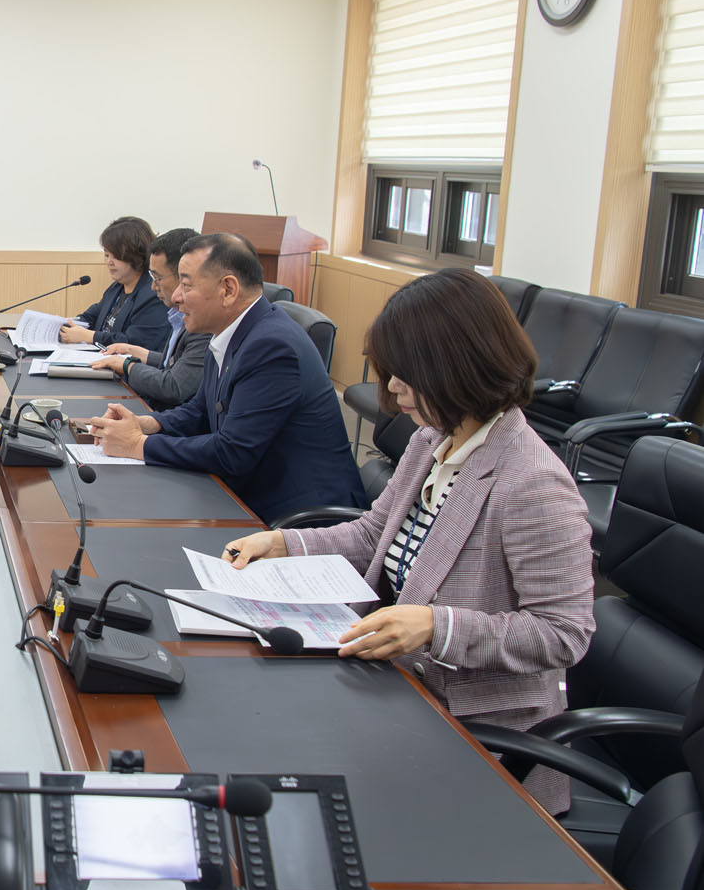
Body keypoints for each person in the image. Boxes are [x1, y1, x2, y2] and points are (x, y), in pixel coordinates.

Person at [218, 268, 595, 814]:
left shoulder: (532, 482)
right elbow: (375, 533)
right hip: (392, 688)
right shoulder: (432, 439)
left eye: (405, 374)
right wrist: (282, 544)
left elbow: (563, 634)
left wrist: (437, 626)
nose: (392, 389)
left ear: (457, 366)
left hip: (472, 734)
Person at [86, 232, 364, 523]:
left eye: (186, 285)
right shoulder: (230, 331)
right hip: (249, 494)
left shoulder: (272, 347)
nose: (176, 297)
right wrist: (148, 423)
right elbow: (200, 411)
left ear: (228, 289)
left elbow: (233, 452)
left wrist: (137, 445)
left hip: (301, 519)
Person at [87, 227, 209, 410]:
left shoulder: (203, 323)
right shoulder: (177, 314)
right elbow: (176, 363)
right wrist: (135, 351)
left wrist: (127, 365)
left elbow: (174, 386)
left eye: (157, 278)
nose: (152, 286)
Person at [58, 216, 173, 353]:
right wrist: (65, 324)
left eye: (116, 256)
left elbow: (135, 342)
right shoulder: (116, 288)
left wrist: (90, 336)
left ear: (136, 255)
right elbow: (90, 317)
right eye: (107, 255)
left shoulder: (154, 293)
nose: (109, 262)